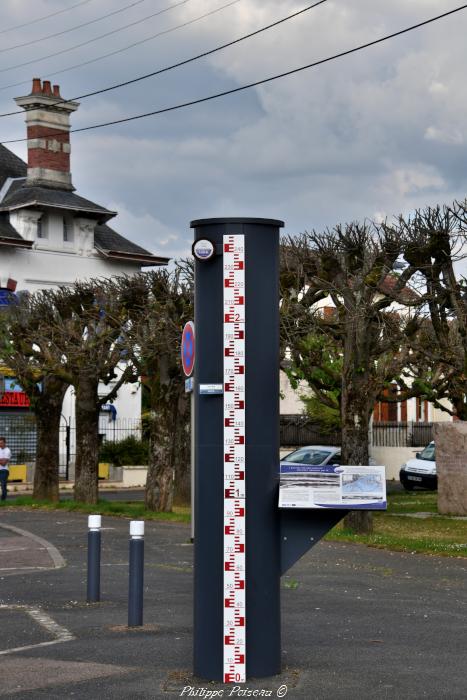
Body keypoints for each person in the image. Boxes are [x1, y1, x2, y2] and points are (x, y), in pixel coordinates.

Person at [0, 436, 11, 501]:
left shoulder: (8, 450)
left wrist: (2, 460)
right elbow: (2, 461)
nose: (0, 444)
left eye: (1, 443)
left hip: (4, 470)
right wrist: (1, 459)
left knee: (3, 485)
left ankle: (3, 500)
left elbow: (4, 463)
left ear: (5, 443)